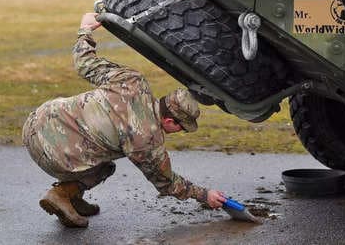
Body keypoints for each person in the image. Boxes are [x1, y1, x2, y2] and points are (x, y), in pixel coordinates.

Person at [22, 12, 226, 228]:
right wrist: (205, 195)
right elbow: (167, 184)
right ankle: (61, 194)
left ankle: (72, 199)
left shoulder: (133, 81)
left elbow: (84, 64)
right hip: (54, 157)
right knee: (105, 168)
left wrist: (85, 30)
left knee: (97, 155)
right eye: (182, 128)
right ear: (171, 121)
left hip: (33, 125)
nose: (178, 132)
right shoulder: (148, 141)